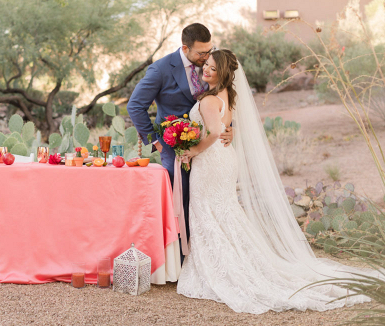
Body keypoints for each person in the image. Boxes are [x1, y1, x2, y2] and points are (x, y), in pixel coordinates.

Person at [176, 49, 371, 313]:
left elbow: (212, 133)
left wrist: (194, 150)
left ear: (223, 71)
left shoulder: (210, 100)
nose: (206, 70)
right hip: (223, 159)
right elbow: (224, 128)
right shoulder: (228, 96)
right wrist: (221, 136)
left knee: (207, 210)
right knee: (223, 210)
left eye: (211, 67)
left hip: (211, 161)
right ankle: (238, 260)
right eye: (205, 66)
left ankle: (222, 267)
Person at [127, 23, 232, 255]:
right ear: (185, 48)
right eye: (201, 53)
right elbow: (135, 105)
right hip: (175, 148)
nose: (206, 57)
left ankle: (207, 254)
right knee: (180, 201)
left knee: (205, 203)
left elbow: (224, 96)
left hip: (209, 149)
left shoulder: (210, 64)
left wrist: (228, 126)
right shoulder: (161, 69)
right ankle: (179, 259)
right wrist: (155, 141)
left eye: (209, 50)